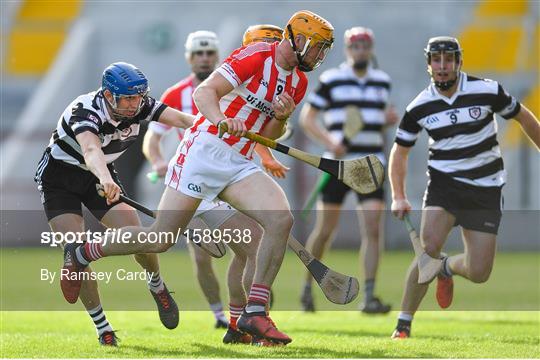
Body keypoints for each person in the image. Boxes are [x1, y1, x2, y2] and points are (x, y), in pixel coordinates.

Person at [60, 10, 334, 346]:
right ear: (299, 39)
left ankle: (254, 312)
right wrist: (220, 118)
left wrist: (283, 116)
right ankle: (84, 251)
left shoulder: (299, 82)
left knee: (279, 220)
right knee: (160, 239)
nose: (320, 56)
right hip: (202, 155)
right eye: (319, 48)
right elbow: (205, 93)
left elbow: (269, 130)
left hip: (238, 161)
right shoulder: (255, 55)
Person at [142, 25, 290, 346]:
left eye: (210, 52)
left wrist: (265, 157)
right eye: (199, 53)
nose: (205, 58)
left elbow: (252, 131)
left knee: (247, 249)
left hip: (234, 175)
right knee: (202, 255)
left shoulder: (244, 84)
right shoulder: (178, 93)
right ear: (189, 57)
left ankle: (238, 320)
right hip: (196, 179)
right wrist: (157, 161)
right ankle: (222, 314)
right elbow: (153, 139)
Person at [34, 62, 195, 345]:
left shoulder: (140, 104)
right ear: (109, 96)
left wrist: (216, 129)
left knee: (140, 238)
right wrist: (105, 178)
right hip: (60, 179)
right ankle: (103, 328)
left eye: (139, 97)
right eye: (129, 99)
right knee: (76, 254)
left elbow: (183, 120)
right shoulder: (84, 110)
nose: (136, 105)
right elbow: (91, 149)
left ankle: (157, 285)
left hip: (99, 176)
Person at [389, 36, 540, 339]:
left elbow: (523, 116)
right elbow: (400, 152)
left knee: (479, 272)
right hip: (444, 186)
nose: (442, 66)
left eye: (448, 59)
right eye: (436, 59)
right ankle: (403, 326)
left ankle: (446, 269)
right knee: (427, 251)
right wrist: (399, 195)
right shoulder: (419, 105)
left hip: (485, 187)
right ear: (429, 63)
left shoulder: (487, 91)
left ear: (459, 61)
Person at [299, 27, 398, 313]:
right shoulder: (332, 80)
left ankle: (368, 296)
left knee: (372, 228)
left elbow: (376, 122)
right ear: (346, 49)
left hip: (369, 163)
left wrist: (386, 121)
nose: (360, 51)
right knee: (325, 229)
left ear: (371, 49)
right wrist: (330, 141)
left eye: (365, 46)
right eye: (355, 46)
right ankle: (307, 288)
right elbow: (308, 118)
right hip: (338, 164)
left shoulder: (382, 81)